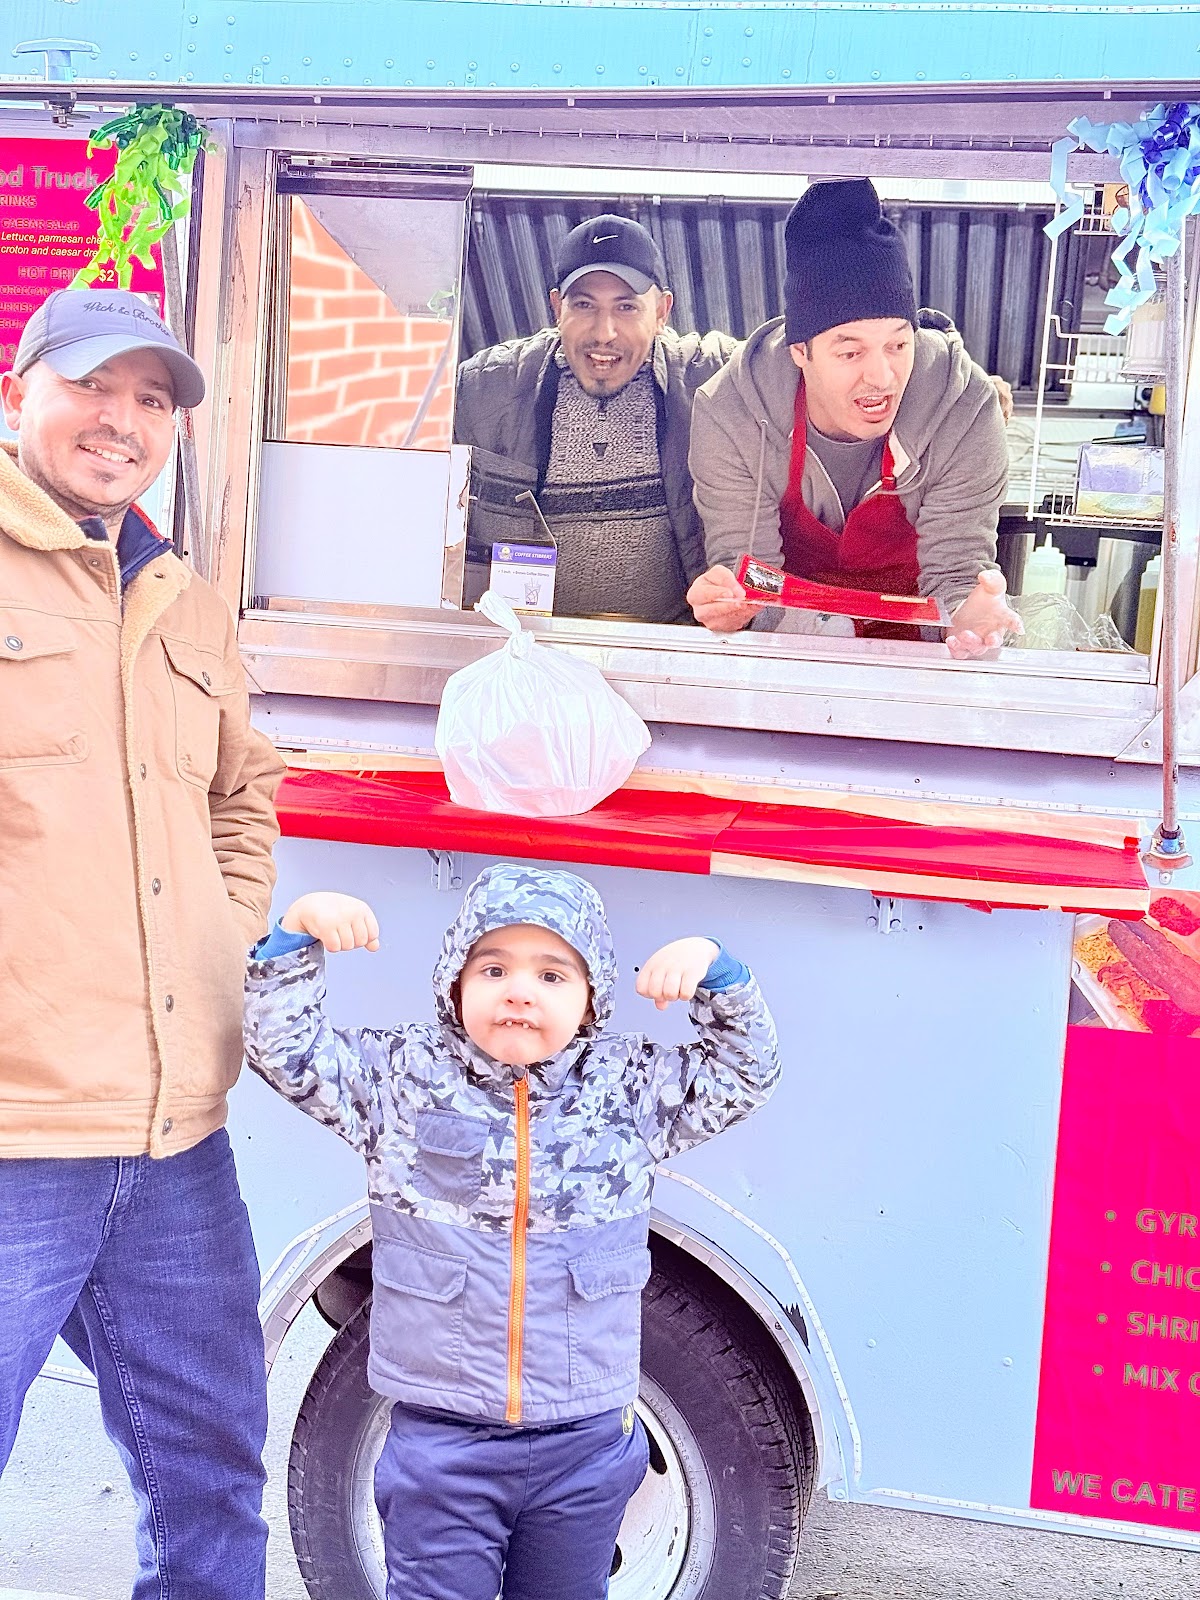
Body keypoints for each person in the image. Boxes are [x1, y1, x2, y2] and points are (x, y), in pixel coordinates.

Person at [243, 863, 780, 1600]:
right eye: (494, 967)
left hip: (585, 1444)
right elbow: (289, 1054)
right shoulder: (403, 1079)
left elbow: (745, 1075)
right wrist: (295, 936)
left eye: (553, 974)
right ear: (453, 984)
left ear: (593, 999)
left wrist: (719, 978)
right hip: (443, 1445)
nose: (521, 989)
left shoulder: (628, 1090)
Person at [0, 289, 284, 1594]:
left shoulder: (186, 598)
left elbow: (240, 791)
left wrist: (225, 937)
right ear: (20, 392)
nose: (121, 421)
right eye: (92, 387)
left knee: (213, 1475)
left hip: (178, 1143)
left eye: (152, 399)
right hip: (16, 1136)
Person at [686, 178, 1022, 658]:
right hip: (794, 644)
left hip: (920, 651)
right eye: (850, 352)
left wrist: (969, 617)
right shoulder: (731, 414)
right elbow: (748, 571)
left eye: (898, 344)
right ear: (801, 351)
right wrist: (733, 606)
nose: (882, 376)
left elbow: (956, 570)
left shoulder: (963, 408)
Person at [455, 214, 737, 622]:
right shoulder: (483, 390)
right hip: (527, 652)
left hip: (672, 649)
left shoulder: (709, 379)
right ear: (557, 307)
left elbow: (784, 359)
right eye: (584, 304)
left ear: (662, 312)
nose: (604, 332)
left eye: (626, 307)